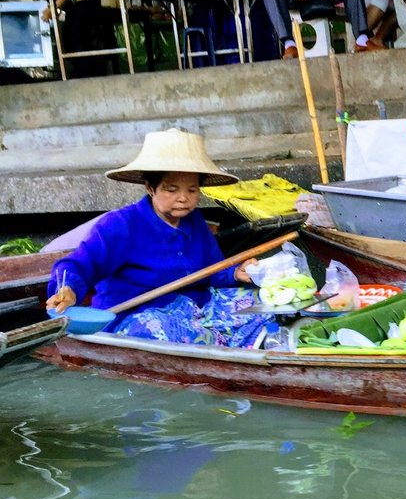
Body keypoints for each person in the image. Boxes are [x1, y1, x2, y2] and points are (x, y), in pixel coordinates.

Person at [45, 128, 274, 348]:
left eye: (192, 190)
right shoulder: (121, 225)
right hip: (138, 314)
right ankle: (224, 344)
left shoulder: (194, 221)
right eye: (171, 190)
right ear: (150, 188)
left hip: (196, 305)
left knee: (267, 303)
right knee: (174, 333)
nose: (183, 198)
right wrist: (68, 290)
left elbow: (213, 271)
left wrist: (235, 272)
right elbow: (75, 265)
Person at [11, 0, 104, 78]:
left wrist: (52, 9)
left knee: (75, 37)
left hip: (86, 1)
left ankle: (86, 74)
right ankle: (81, 72)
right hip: (78, 4)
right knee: (69, 39)